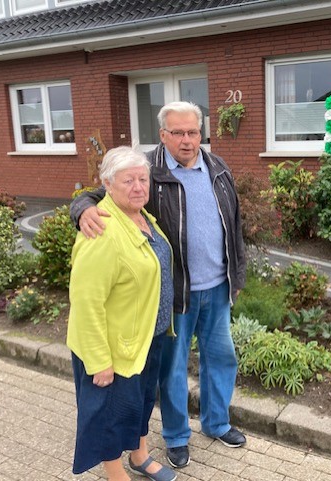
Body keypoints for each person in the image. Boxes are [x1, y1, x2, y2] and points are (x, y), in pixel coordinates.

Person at [70, 101, 247, 469]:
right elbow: (103, 192)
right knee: (172, 369)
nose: (186, 140)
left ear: (202, 133)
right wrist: (81, 208)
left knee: (221, 358)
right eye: (177, 133)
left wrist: (238, 275)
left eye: (193, 132)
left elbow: (234, 225)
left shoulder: (218, 168)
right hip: (177, 292)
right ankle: (177, 437)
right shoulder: (147, 169)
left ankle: (217, 423)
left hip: (218, 286)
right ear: (163, 135)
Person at [67, 146, 176, 481]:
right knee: (111, 415)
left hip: (148, 336)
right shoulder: (101, 229)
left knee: (141, 403)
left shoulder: (143, 218)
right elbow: (86, 302)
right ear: (107, 184)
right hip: (116, 345)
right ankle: (116, 474)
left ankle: (140, 456)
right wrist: (99, 359)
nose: (138, 187)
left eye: (143, 179)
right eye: (128, 181)